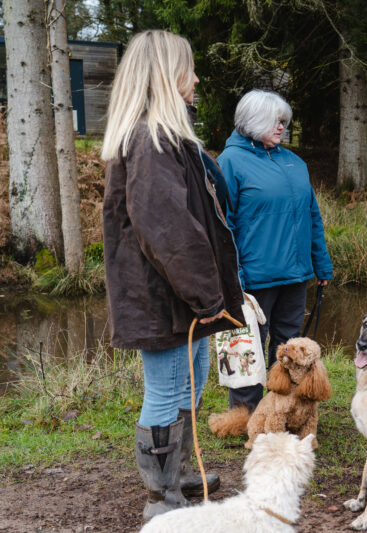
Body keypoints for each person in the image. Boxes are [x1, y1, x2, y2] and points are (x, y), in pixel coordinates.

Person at [101, 30, 245, 520]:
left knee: (191, 382)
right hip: (163, 298)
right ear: (166, 74)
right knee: (166, 389)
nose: (197, 78)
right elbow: (168, 230)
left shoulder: (169, 139)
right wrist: (209, 297)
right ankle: (160, 499)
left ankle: (178, 473)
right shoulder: (149, 141)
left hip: (182, 298)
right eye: (189, 68)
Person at [216, 89, 333, 413]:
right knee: (246, 349)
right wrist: (234, 279)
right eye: (274, 121)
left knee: (288, 351)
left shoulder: (294, 163)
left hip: (295, 276)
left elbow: (312, 215)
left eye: (284, 121)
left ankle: (285, 411)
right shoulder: (230, 163)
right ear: (252, 122)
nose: (281, 127)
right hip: (253, 281)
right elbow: (223, 227)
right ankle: (245, 416)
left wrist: (321, 265)